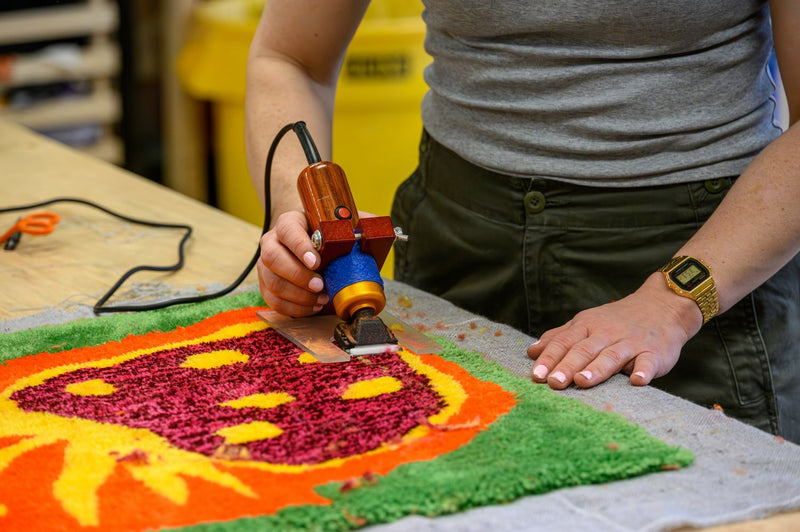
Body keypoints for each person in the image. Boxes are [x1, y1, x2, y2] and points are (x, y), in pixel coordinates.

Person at [244, 1, 800, 443]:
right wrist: (304, 225)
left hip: (697, 252)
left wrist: (674, 302)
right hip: (459, 234)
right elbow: (289, 59)